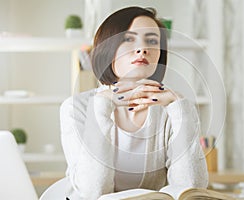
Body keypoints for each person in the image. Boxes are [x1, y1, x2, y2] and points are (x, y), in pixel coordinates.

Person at [60, 6, 208, 200]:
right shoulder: (76, 107)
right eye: (128, 39)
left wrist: (180, 108)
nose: (142, 49)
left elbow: (191, 189)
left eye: (152, 41)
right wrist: (102, 107)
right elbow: (93, 191)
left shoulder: (172, 108)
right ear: (108, 48)